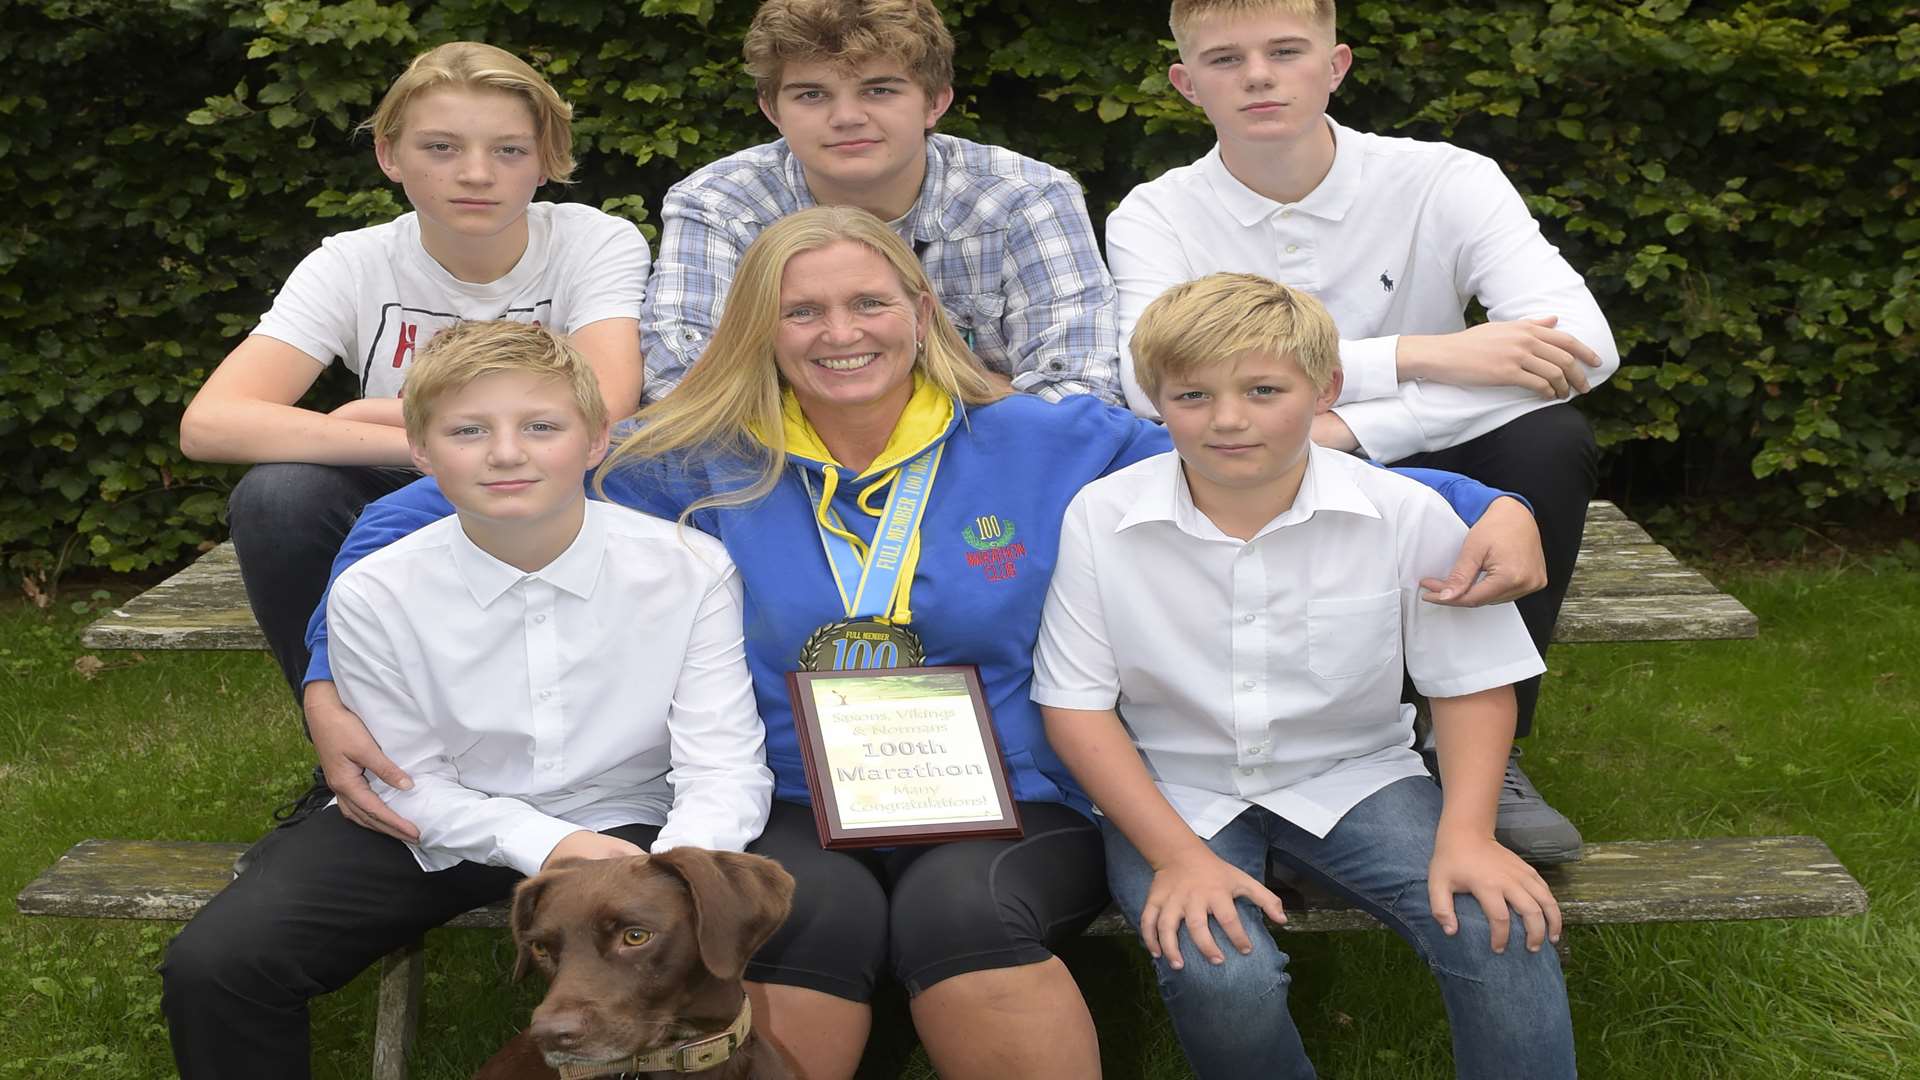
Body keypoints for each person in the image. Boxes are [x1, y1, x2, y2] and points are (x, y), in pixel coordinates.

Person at [300, 207, 1538, 1079]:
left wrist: (1492, 506)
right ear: (761, 329)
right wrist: (322, 668)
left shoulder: (1050, 442)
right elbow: (439, 504)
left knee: (964, 919)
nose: (841, 331)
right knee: (808, 921)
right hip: (793, 791)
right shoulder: (690, 461)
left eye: (867, 301)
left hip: (1014, 794)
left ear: (918, 307)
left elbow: (1254, 454)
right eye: (803, 311)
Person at [159, 320, 770, 1079]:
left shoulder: (689, 569)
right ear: (420, 450)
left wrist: (679, 868)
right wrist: (552, 847)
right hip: (430, 822)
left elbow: (721, 763)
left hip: (633, 819)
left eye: (541, 426)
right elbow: (402, 777)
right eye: (469, 430)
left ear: (596, 440)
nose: (507, 453)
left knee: (775, 931)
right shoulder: (377, 591)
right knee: (219, 963)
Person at [1105, 0, 1623, 863]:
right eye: (1226, 60)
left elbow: (1582, 348)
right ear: (1185, 84)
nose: (1260, 75)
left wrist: (1349, 427)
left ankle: (1493, 754)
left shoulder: (1445, 178)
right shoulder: (1156, 213)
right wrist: (1428, 354)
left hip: (1417, 447)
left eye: (1285, 51)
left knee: (1549, 439)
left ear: (1336, 65)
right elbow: (1143, 385)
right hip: (1250, 459)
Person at [1035, 273, 1574, 1079]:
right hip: (1176, 788)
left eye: (1262, 390)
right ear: (1152, 399)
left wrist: (1467, 835)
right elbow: (1076, 708)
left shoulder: (1403, 512)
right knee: (1223, 974)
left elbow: (1470, 683)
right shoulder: (1101, 517)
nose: (1227, 419)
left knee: (1495, 922)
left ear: (1323, 389)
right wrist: (1177, 858)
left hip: (1354, 772)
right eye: (1191, 395)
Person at [177, 41, 648, 704]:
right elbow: (211, 423)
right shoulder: (353, 263)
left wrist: (370, 413)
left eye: (509, 150)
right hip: (410, 491)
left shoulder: (593, 241)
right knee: (279, 497)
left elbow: (605, 405)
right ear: (389, 155)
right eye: (441, 148)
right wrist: (424, 445)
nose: (476, 174)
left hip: (552, 484)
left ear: (544, 161)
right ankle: (344, 732)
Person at [639, 0, 1121, 405]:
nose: (847, 117)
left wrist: (824, 388)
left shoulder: (1024, 197)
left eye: (879, 90)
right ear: (772, 110)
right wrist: (972, 388)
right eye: (812, 94)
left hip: (988, 466)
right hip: (783, 467)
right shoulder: (720, 204)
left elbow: (1082, 396)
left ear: (935, 102)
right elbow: (678, 386)